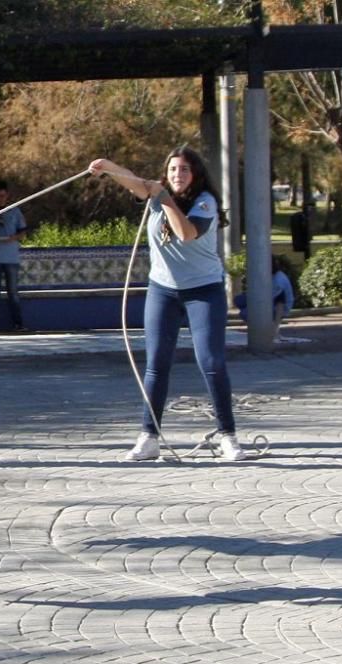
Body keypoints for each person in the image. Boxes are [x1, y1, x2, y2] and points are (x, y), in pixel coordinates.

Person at [89, 146, 246, 462]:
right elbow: (133, 182)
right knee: (156, 364)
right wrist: (108, 166)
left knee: (211, 362)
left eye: (185, 169)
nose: (178, 174)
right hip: (163, 291)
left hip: (204, 291)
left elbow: (186, 233)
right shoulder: (155, 193)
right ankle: (149, 435)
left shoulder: (205, 202)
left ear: (196, 174)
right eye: (173, 169)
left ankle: (228, 435)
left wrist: (162, 198)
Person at [0, 179, 28, 332]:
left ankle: (18, 324)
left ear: (7, 195)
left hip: (11, 258)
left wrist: (12, 238)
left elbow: (23, 232)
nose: (0, 199)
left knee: (13, 291)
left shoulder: (15, 211)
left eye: (2, 196)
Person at [234, 256, 295, 343]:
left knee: (245, 313)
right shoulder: (268, 276)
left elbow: (278, 300)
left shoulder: (278, 280)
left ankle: (266, 331)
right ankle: (260, 327)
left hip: (277, 305)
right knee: (239, 300)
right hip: (267, 300)